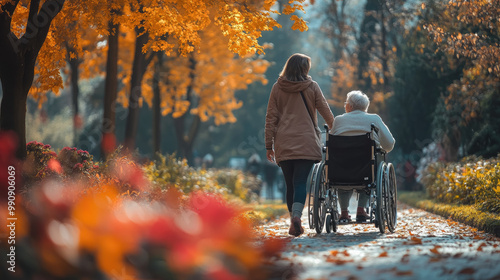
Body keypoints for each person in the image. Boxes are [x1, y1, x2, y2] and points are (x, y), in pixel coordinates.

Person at [265, 53, 334, 237]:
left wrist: (268, 146)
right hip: (306, 141)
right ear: (304, 69)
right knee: (301, 181)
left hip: (284, 142)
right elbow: (325, 111)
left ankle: (293, 221)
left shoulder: (277, 88)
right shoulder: (312, 87)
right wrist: (336, 130)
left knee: (290, 185)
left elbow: (270, 118)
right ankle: (297, 216)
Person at [331, 90, 395, 223]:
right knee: (369, 166)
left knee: (343, 171)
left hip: (341, 170)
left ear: (348, 106)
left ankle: (343, 212)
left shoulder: (338, 121)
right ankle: (361, 210)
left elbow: (330, 144)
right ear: (365, 106)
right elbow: (389, 144)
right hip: (367, 169)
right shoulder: (374, 119)